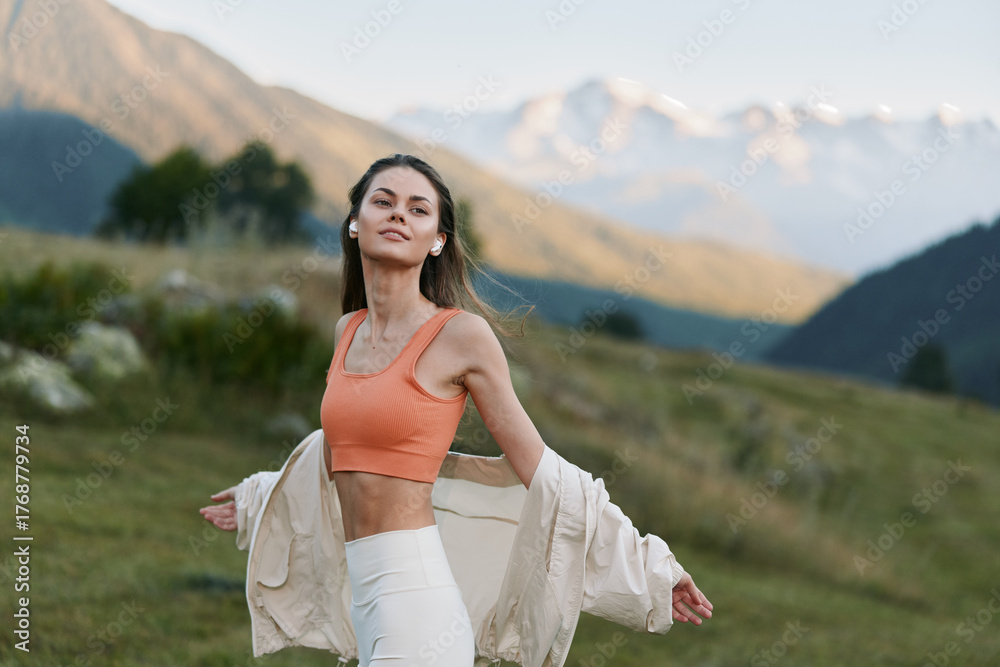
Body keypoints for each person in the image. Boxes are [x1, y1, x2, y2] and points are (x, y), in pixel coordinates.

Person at [199, 153, 713, 665]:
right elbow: (341, 454)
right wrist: (261, 494)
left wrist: (646, 567)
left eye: (418, 209)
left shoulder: (461, 336)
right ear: (355, 223)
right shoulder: (348, 330)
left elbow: (545, 472)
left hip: (416, 606)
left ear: (438, 240)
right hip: (365, 602)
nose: (399, 214)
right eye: (383, 201)